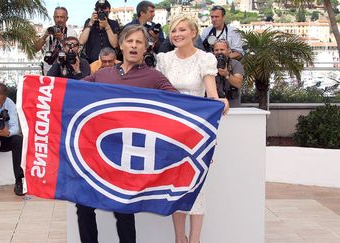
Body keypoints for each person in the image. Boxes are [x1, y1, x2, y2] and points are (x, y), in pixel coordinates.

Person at [78, 25, 177, 243]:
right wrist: (40, 87)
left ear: (146, 48)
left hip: (127, 158)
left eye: (139, 42)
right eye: (129, 41)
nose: (133, 45)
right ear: (121, 45)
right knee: (83, 205)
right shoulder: (102, 74)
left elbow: (181, 105)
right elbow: (71, 91)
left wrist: (214, 104)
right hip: (96, 154)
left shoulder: (154, 78)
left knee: (124, 212)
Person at [156, 16, 229, 243]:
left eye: (182, 30)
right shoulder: (164, 59)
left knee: (196, 188)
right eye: (174, 30)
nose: (177, 34)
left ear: (194, 33)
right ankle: (180, 239)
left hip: (197, 133)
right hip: (169, 132)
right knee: (174, 188)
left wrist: (221, 103)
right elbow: (158, 94)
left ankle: (194, 240)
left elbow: (212, 96)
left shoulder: (205, 59)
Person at [34, 7, 78, 74]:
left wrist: (62, 39)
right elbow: (35, 49)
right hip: (48, 69)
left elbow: (73, 51)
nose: (59, 19)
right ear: (54, 18)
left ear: (67, 18)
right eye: (57, 17)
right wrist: (45, 36)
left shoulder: (71, 32)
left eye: (62, 17)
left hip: (65, 69)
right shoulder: (48, 31)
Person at [213, 39, 244, 107]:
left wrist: (227, 74)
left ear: (229, 51)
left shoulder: (235, 64)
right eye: (216, 50)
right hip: (214, 104)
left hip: (232, 105)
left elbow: (238, 83)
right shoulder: (209, 64)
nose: (219, 52)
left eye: (222, 49)